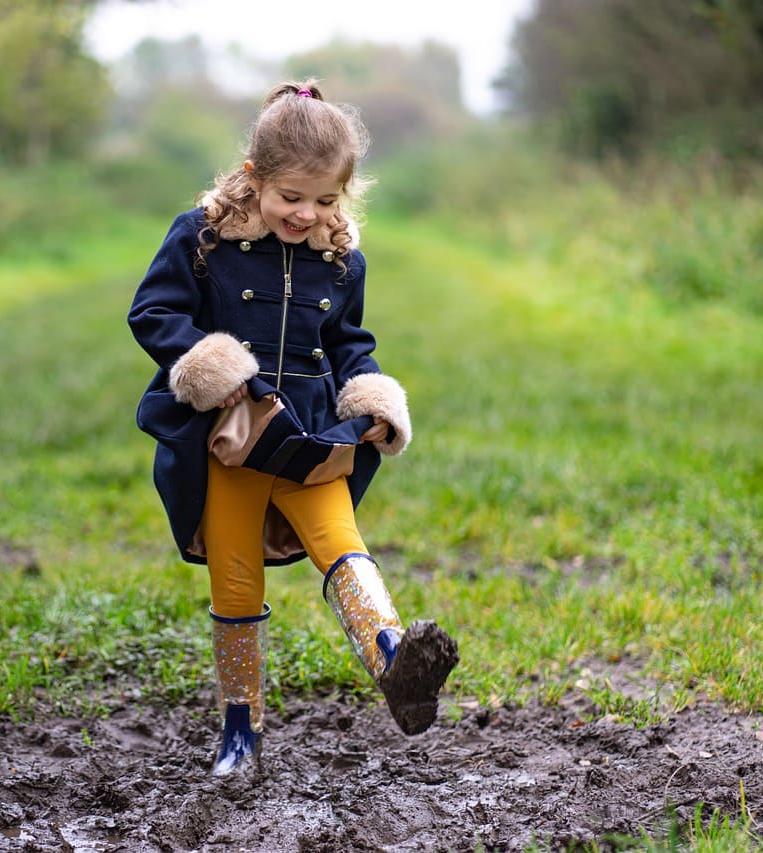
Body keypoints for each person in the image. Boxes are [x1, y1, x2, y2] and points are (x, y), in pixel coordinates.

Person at [127, 79, 459, 778]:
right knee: (236, 577)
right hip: (233, 436)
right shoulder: (202, 238)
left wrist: (370, 399)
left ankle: (396, 660)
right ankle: (238, 732)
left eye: (326, 200)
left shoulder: (341, 260)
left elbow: (348, 345)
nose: (307, 214)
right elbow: (153, 314)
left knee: (342, 542)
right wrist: (213, 365)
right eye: (291, 197)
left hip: (310, 437)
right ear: (254, 178)